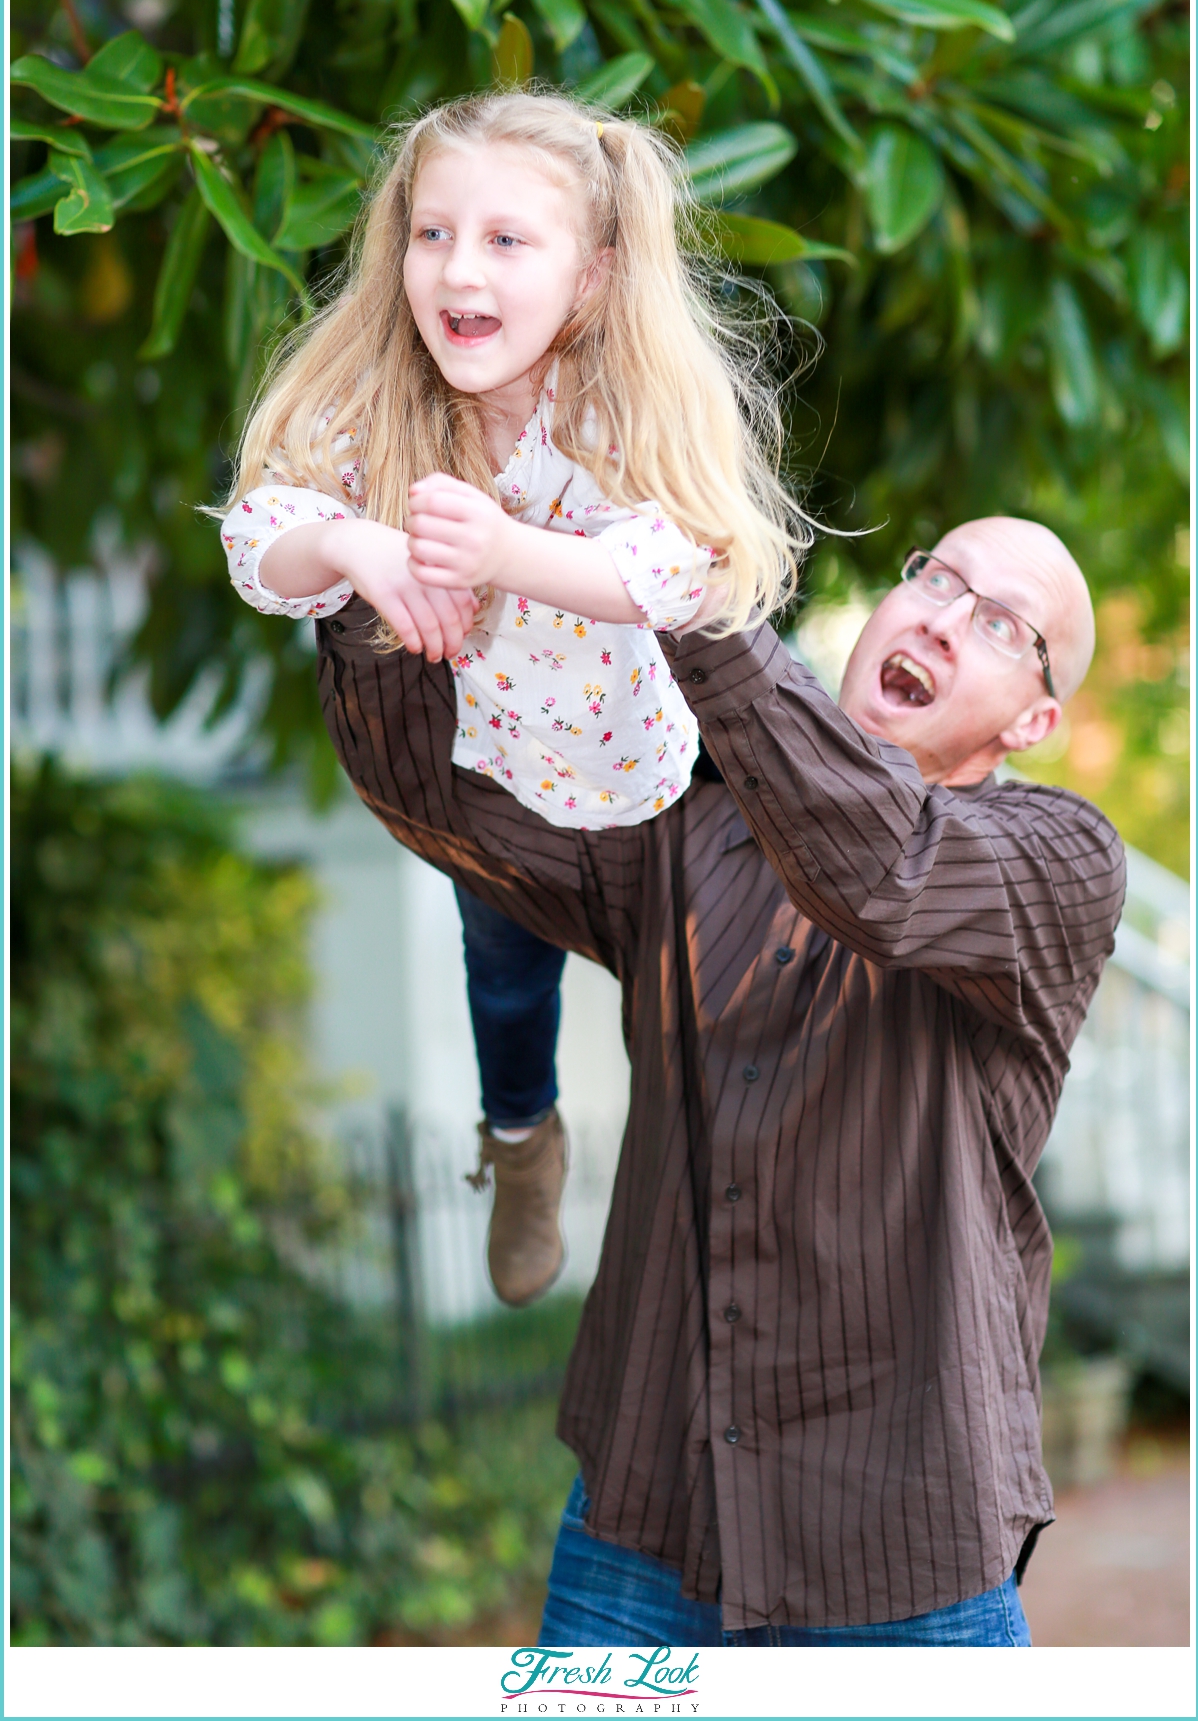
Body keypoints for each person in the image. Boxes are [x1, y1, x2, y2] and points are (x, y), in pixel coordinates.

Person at [311, 510, 1125, 1645]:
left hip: (907, 1561)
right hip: (641, 1538)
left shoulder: (1060, 861)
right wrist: (375, 598)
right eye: (937, 578)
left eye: (998, 624)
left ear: (1035, 719)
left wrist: (688, 592)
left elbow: (885, 868)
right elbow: (448, 802)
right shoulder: (684, 825)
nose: (942, 619)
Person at [219, 91, 805, 1307]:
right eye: (432, 233)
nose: (457, 267)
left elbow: (682, 566)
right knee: (504, 979)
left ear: (589, 279)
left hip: (660, 797)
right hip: (496, 795)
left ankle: (721, 1213)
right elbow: (256, 539)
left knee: (692, 1018)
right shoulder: (382, 408)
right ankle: (522, 1140)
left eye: (504, 240)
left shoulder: (613, 409)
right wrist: (353, 548)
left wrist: (502, 553)